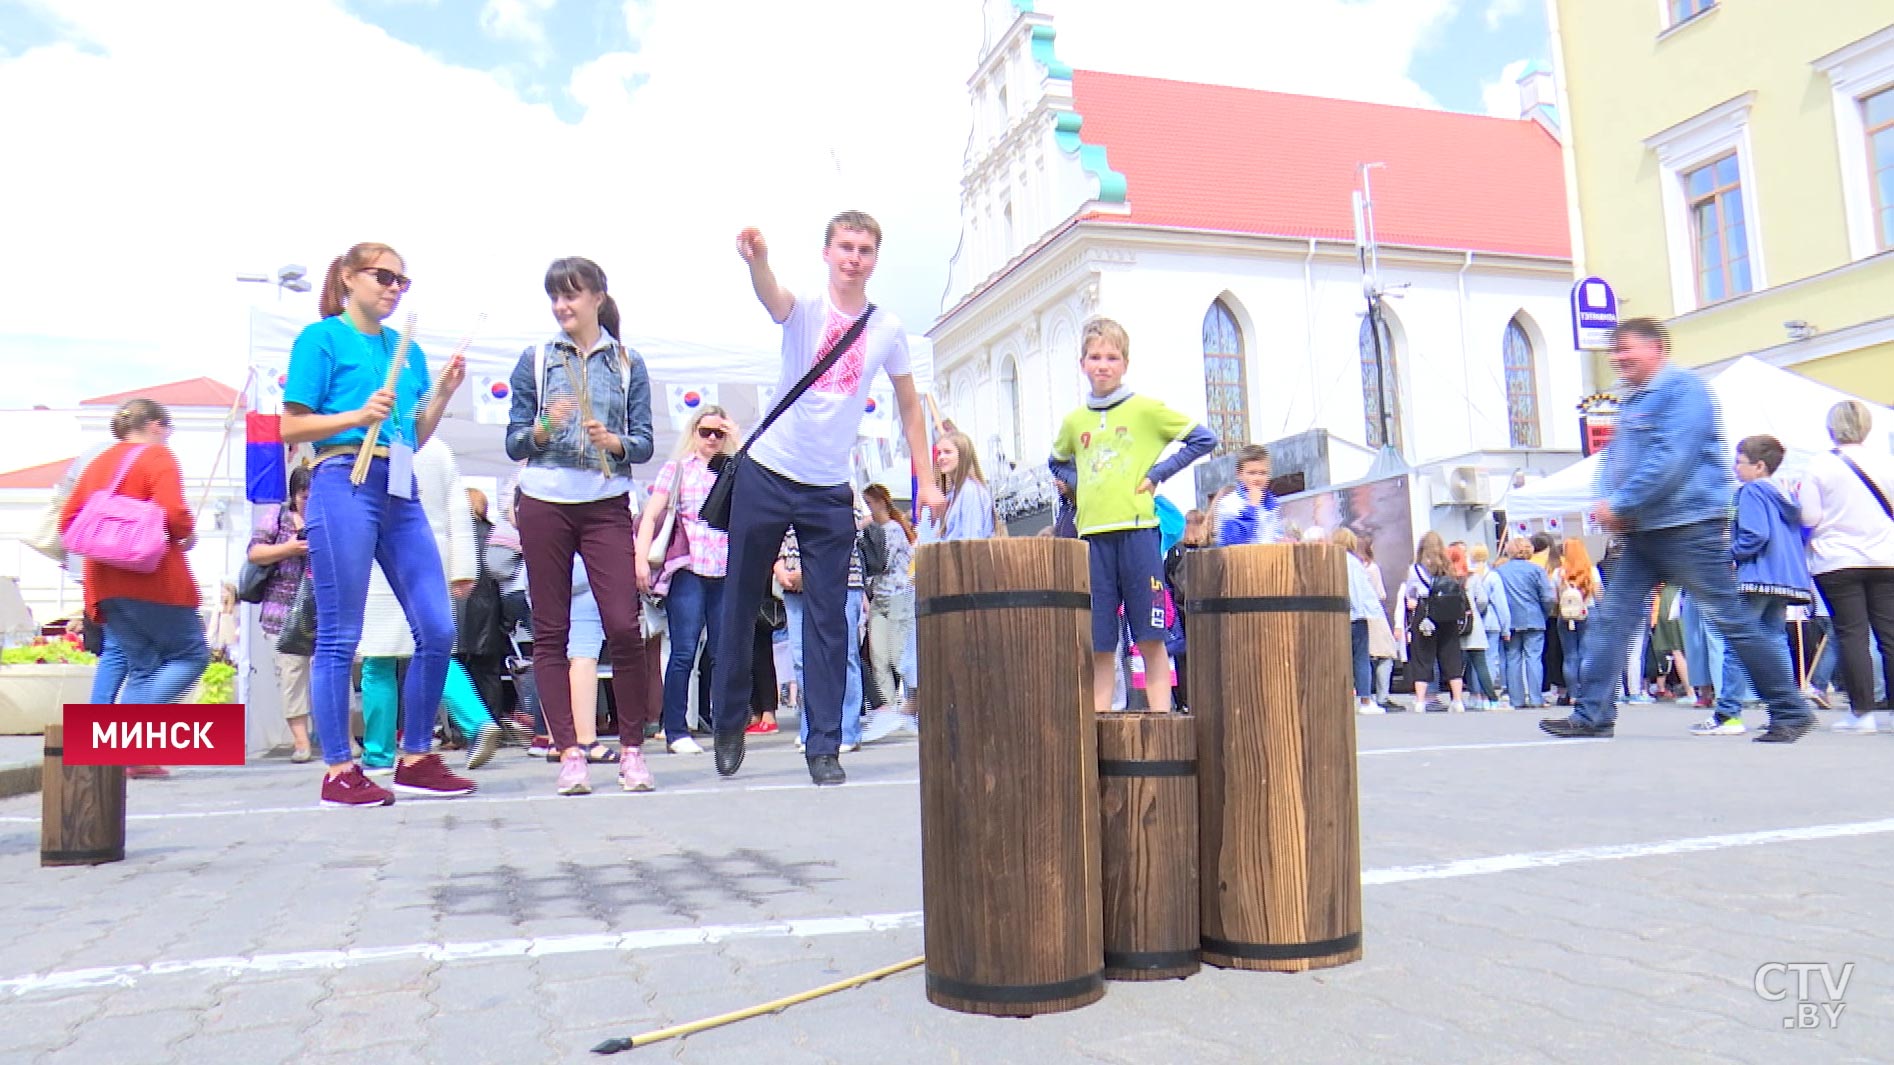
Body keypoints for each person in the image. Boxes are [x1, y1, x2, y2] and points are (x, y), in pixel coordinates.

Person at [714, 213, 944, 786]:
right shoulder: (809, 309)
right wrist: (757, 260)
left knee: (829, 620)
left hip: (826, 489)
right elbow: (773, 299)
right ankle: (727, 721)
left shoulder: (886, 327)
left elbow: (910, 405)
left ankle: (824, 744)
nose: (855, 257)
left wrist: (926, 477)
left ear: (875, 259)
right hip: (767, 475)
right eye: (846, 246)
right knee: (741, 604)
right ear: (827, 252)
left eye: (865, 249)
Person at [1540, 320, 1813, 741]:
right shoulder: (1635, 399)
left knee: (1731, 620)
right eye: (1615, 351)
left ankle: (1790, 709)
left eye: (1626, 349)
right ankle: (1593, 713)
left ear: (1655, 349)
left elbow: (1673, 458)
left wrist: (1620, 501)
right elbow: (1618, 460)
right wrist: (1611, 501)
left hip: (1688, 525)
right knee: (1613, 621)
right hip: (1645, 528)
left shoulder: (1683, 390)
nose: (1618, 357)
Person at [282, 242, 473, 806]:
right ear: (348, 277)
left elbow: (415, 433)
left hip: (399, 482)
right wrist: (354, 416)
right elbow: (290, 428)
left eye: (402, 281)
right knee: (341, 633)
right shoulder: (321, 338)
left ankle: (416, 756)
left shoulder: (406, 351)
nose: (393, 287)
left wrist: (444, 395)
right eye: (383, 276)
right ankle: (339, 769)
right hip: (342, 475)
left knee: (438, 627)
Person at [504, 257, 659, 795]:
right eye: (555, 297)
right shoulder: (537, 358)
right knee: (550, 628)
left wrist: (615, 444)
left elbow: (644, 442)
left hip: (605, 501)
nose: (562, 306)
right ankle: (569, 751)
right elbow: (514, 440)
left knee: (622, 623)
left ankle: (633, 751)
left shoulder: (627, 363)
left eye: (572, 295)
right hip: (544, 499)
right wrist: (545, 428)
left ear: (597, 296)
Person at [1050, 317, 1216, 715]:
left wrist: (1157, 475)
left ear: (1125, 363)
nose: (1103, 365)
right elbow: (1056, 461)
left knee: (1150, 633)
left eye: (1112, 357)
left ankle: (1160, 718)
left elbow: (1203, 438)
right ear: (1082, 363)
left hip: (1139, 533)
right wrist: (1080, 482)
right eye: (1095, 357)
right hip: (1093, 536)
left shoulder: (1144, 410)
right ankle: (1100, 722)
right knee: (1101, 638)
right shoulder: (1075, 421)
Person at [59, 398, 210, 781]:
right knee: (191, 656)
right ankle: (122, 742)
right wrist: (185, 534)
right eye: (168, 429)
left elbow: (68, 519)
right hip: (154, 579)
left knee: (142, 663)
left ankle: (134, 757)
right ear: (157, 425)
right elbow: (174, 512)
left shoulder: (99, 464)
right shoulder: (157, 458)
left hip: (104, 581)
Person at [358, 438, 498, 775]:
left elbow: (388, 504)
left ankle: (378, 753)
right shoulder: (438, 448)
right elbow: (458, 510)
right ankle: (478, 720)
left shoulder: (382, 443)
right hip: (432, 559)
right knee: (435, 654)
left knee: (378, 661)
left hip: (386, 557)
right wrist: (464, 567)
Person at [1690, 434, 1815, 736]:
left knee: (1737, 643)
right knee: (1775, 642)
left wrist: (1726, 554)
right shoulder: (1784, 494)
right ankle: (1786, 710)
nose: (1735, 467)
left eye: (1739, 461)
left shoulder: (1751, 491)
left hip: (1756, 576)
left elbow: (1754, 535)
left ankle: (1729, 714)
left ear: (1759, 466)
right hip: (1786, 579)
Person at [635, 405, 739, 756]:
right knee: (683, 650)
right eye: (705, 431)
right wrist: (640, 560)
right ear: (693, 432)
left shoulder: (734, 470)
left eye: (718, 433)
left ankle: (726, 726)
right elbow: (650, 516)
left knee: (724, 651)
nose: (711, 439)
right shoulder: (677, 468)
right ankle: (675, 727)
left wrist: (735, 438)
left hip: (724, 567)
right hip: (688, 566)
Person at [1798, 400, 1894, 732]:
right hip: (1885, 557)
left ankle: (1862, 713)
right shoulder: (1886, 462)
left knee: (1851, 634)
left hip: (1836, 558)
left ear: (1831, 427)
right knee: (1890, 634)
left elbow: (1810, 516)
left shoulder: (1819, 465)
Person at [777, 521, 868, 751]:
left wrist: (808, 572)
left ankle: (847, 731)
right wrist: (778, 567)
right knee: (801, 658)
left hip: (842, 578)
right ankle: (812, 730)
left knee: (843, 656)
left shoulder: (842, 484)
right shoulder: (782, 489)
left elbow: (851, 526)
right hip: (794, 584)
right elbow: (773, 531)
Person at [248, 463, 315, 762]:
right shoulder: (276, 516)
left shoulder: (329, 517)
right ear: (293, 495)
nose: (309, 500)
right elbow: (255, 553)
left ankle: (342, 737)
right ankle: (301, 742)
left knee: (330, 672)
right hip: (282, 611)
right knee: (291, 675)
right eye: (304, 495)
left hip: (323, 610)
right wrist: (289, 549)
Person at [860, 482, 918, 742]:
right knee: (878, 657)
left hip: (897, 595)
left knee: (898, 654)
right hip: (879, 598)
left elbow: (880, 562)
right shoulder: (872, 532)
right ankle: (887, 709)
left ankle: (912, 703)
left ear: (881, 503)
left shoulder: (892, 530)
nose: (867, 510)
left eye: (870, 504)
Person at [456, 487, 513, 733]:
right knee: (489, 675)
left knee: (459, 675)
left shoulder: (455, 538)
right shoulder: (494, 535)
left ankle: (463, 731)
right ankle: (492, 723)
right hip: (491, 615)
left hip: (457, 614)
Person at [1398, 532, 1469, 713]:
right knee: (1451, 655)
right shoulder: (1449, 568)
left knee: (1422, 655)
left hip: (1425, 612)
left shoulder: (1416, 569)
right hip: (1447, 613)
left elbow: (1410, 593)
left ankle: (1421, 701)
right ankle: (1458, 700)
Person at [1496, 536, 1556, 710]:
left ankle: (1516, 699)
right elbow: (1548, 596)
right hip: (1534, 617)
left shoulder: (1500, 571)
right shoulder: (1536, 570)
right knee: (1534, 658)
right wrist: (1544, 612)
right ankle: (1536, 698)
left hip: (1511, 619)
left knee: (1513, 658)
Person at [1332, 528, 1383, 714]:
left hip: (1335, 619)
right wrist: (1373, 613)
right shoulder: (1354, 563)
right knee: (1361, 659)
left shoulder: (1330, 562)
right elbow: (1363, 592)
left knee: (1338, 660)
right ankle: (1365, 701)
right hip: (1356, 617)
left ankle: (1339, 700)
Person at [1552, 538, 1601, 704]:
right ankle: (1586, 692)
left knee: (1570, 656)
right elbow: (1599, 595)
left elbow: (1555, 598)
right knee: (1586, 654)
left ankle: (1573, 694)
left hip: (1566, 616)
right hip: (1588, 612)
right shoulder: (1591, 571)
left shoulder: (1558, 573)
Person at [1464, 543, 1511, 710]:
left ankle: (1475, 694)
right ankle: (1488, 695)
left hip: (1471, 624)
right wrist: (1506, 627)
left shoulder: (1468, 576)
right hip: (1491, 622)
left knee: (1473, 662)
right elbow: (1500, 604)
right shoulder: (1492, 576)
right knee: (1490, 660)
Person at [1214, 444, 1284, 546]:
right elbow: (1232, 541)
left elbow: (1277, 535)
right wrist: (1251, 507)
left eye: (1263, 473)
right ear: (1239, 474)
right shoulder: (1229, 503)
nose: (1258, 479)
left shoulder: (1273, 504)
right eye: (1252, 473)